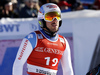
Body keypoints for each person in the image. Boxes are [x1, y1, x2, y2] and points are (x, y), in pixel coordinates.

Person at [12, 3, 74, 75]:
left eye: (57, 16)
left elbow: (68, 71)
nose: (55, 20)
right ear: (42, 20)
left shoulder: (63, 42)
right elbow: (18, 64)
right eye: (50, 17)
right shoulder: (33, 38)